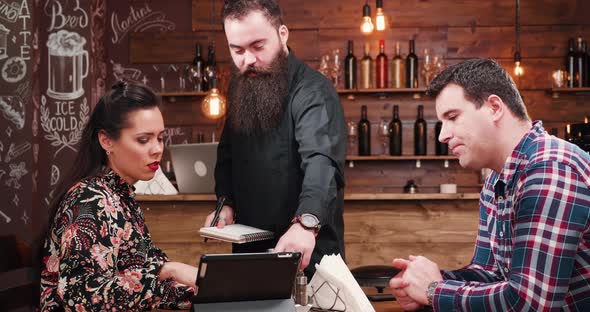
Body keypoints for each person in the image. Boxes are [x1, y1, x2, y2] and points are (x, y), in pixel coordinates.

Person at [389, 58, 590, 311]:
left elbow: (530, 304)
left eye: (452, 117)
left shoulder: (550, 169)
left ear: (494, 107)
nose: (442, 135)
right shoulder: (496, 179)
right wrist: (424, 283)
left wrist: (434, 291)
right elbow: (489, 273)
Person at [204, 0, 346, 277]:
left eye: (258, 47)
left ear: (282, 34)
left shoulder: (312, 91)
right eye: (238, 50)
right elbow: (228, 154)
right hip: (249, 251)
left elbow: (321, 162)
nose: (248, 60)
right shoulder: (241, 85)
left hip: (306, 251)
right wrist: (226, 202)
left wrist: (306, 225)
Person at [39, 82, 198, 311]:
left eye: (160, 138)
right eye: (144, 140)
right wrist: (167, 270)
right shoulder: (90, 200)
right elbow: (79, 296)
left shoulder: (120, 196)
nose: (157, 149)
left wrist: (204, 291)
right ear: (106, 141)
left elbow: (144, 286)